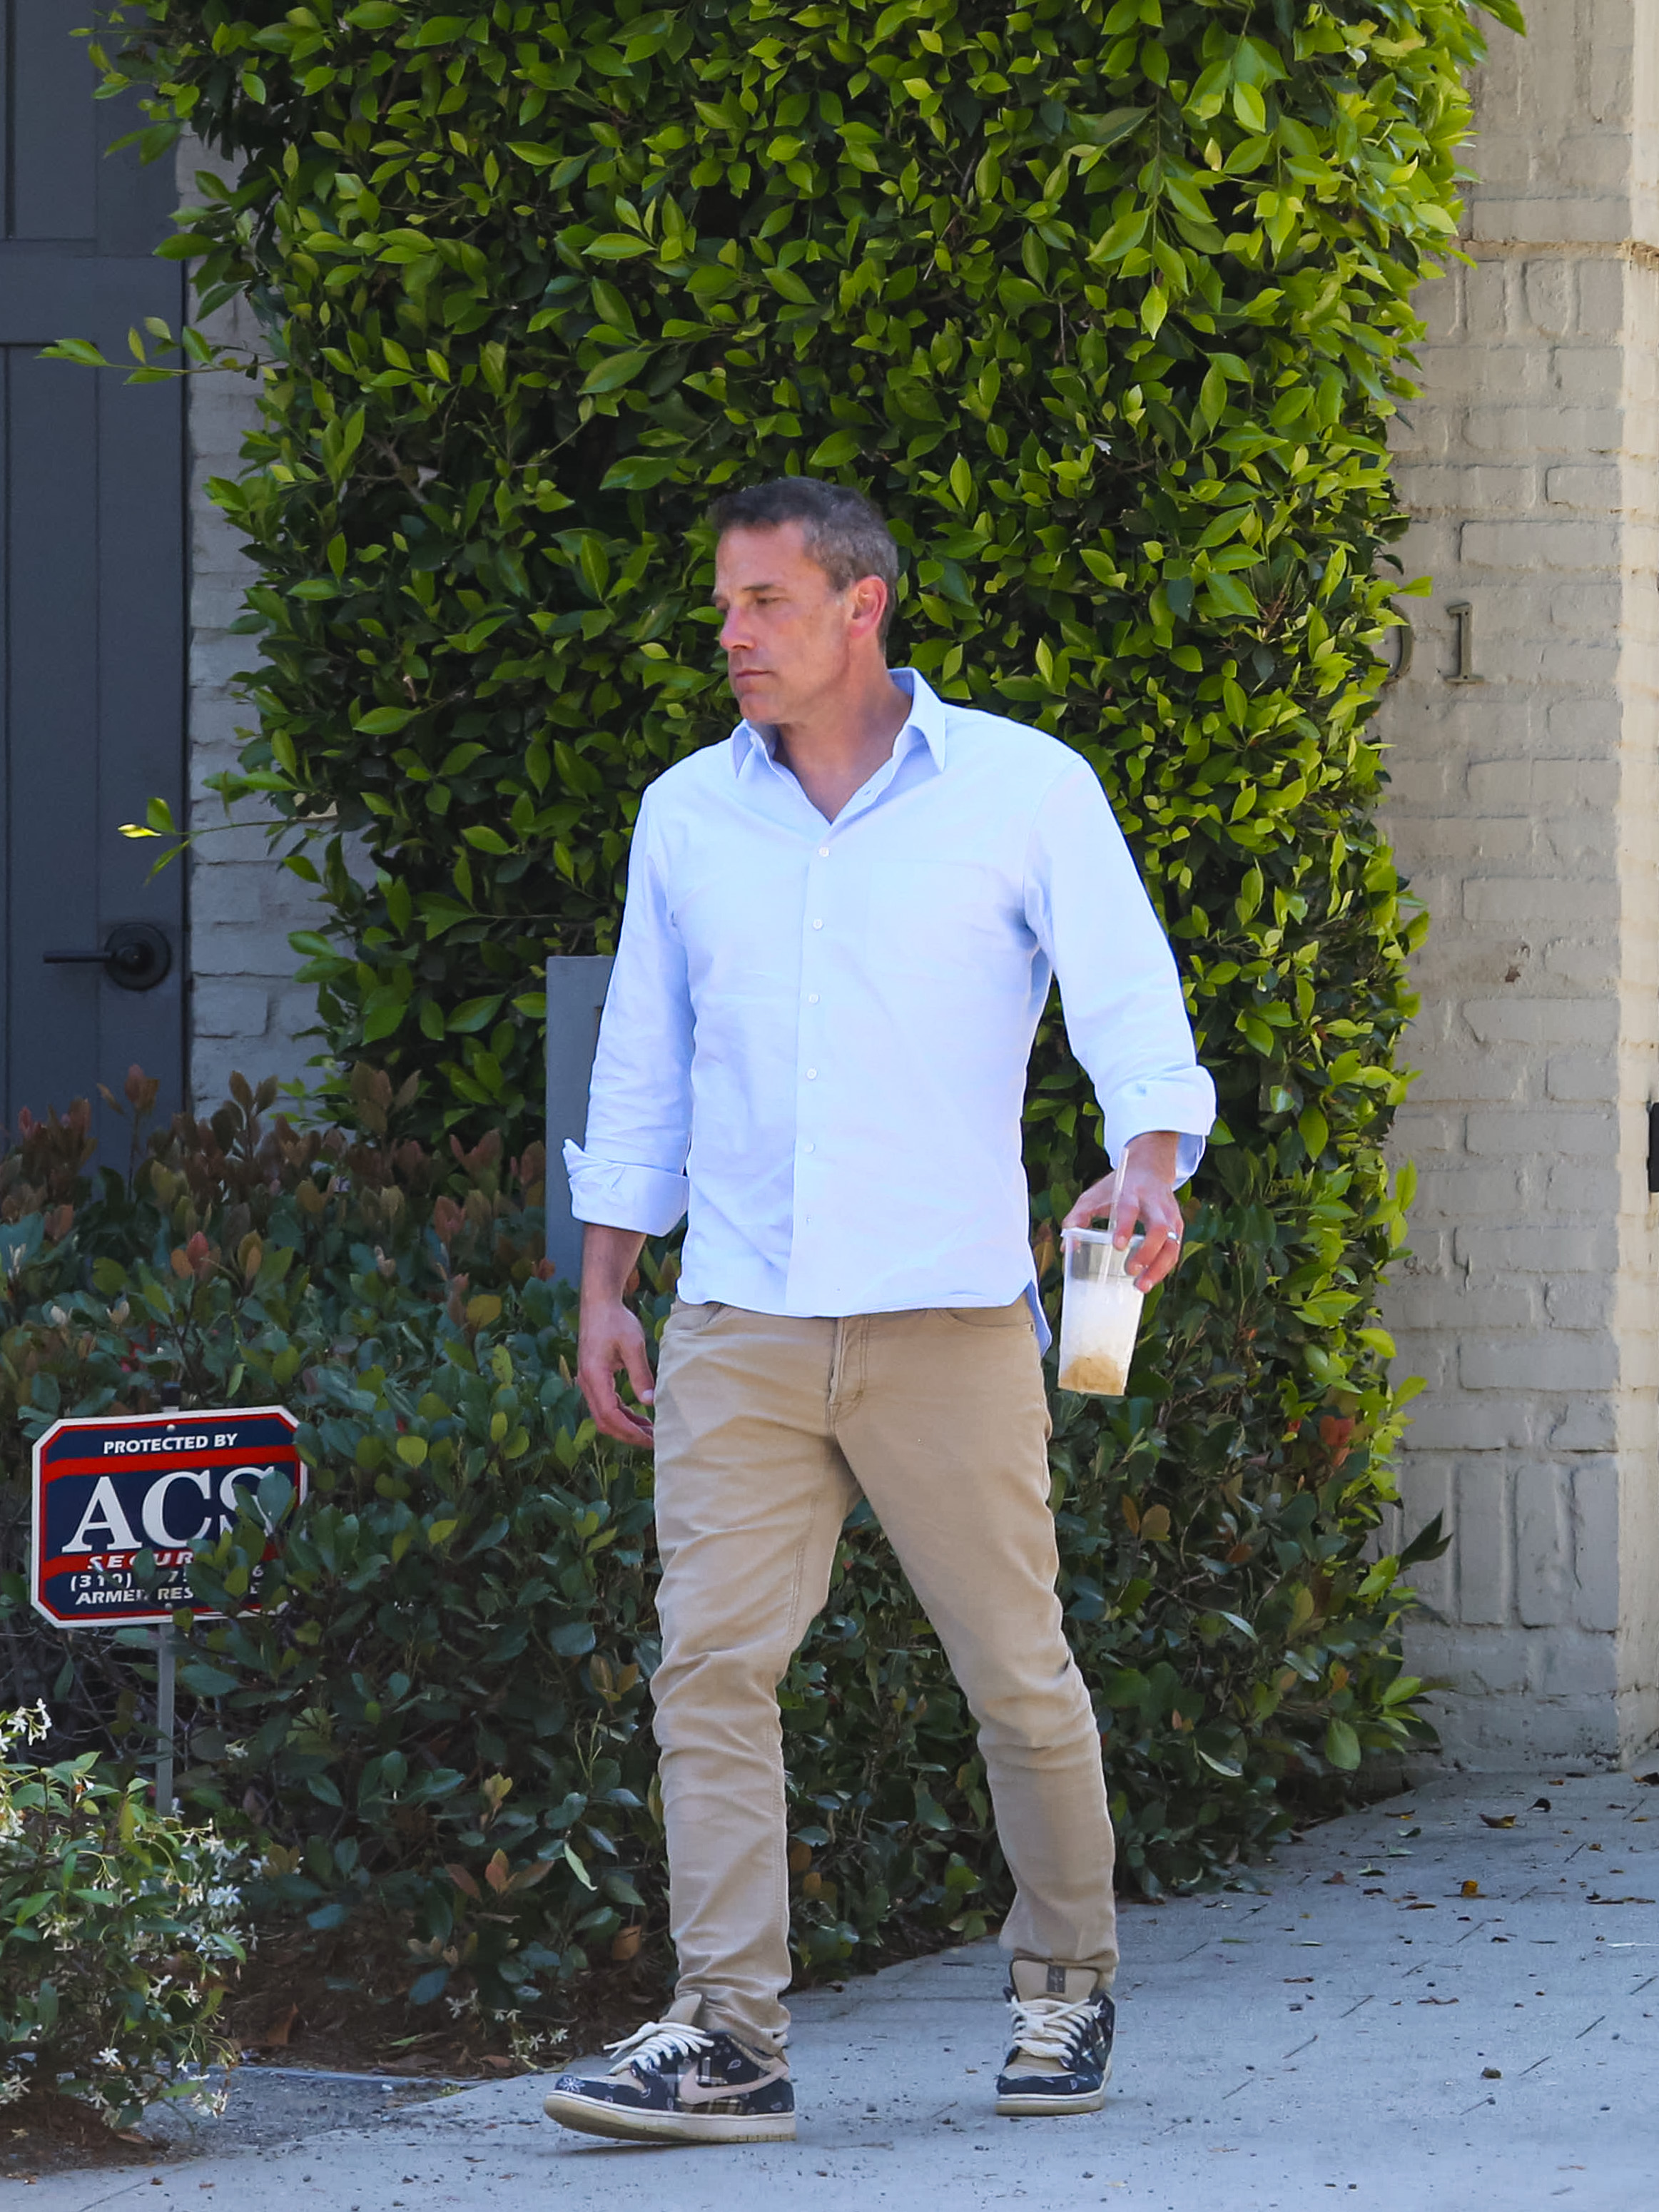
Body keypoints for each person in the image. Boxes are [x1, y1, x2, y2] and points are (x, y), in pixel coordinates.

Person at [542, 477, 1215, 2146]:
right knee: (707, 1665)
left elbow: (1130, 1000)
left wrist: (1146, 1167)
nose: (729, 634)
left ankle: (1063, 1981)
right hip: (741, 1316)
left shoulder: (1021, 786)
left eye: (762, 602)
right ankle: (727, 2034)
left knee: (1014, 1670)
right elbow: (641, 1062)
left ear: (862, 607)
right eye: (722, 604)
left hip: (949, 1316)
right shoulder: (685, 813)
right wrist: (607, 1283)